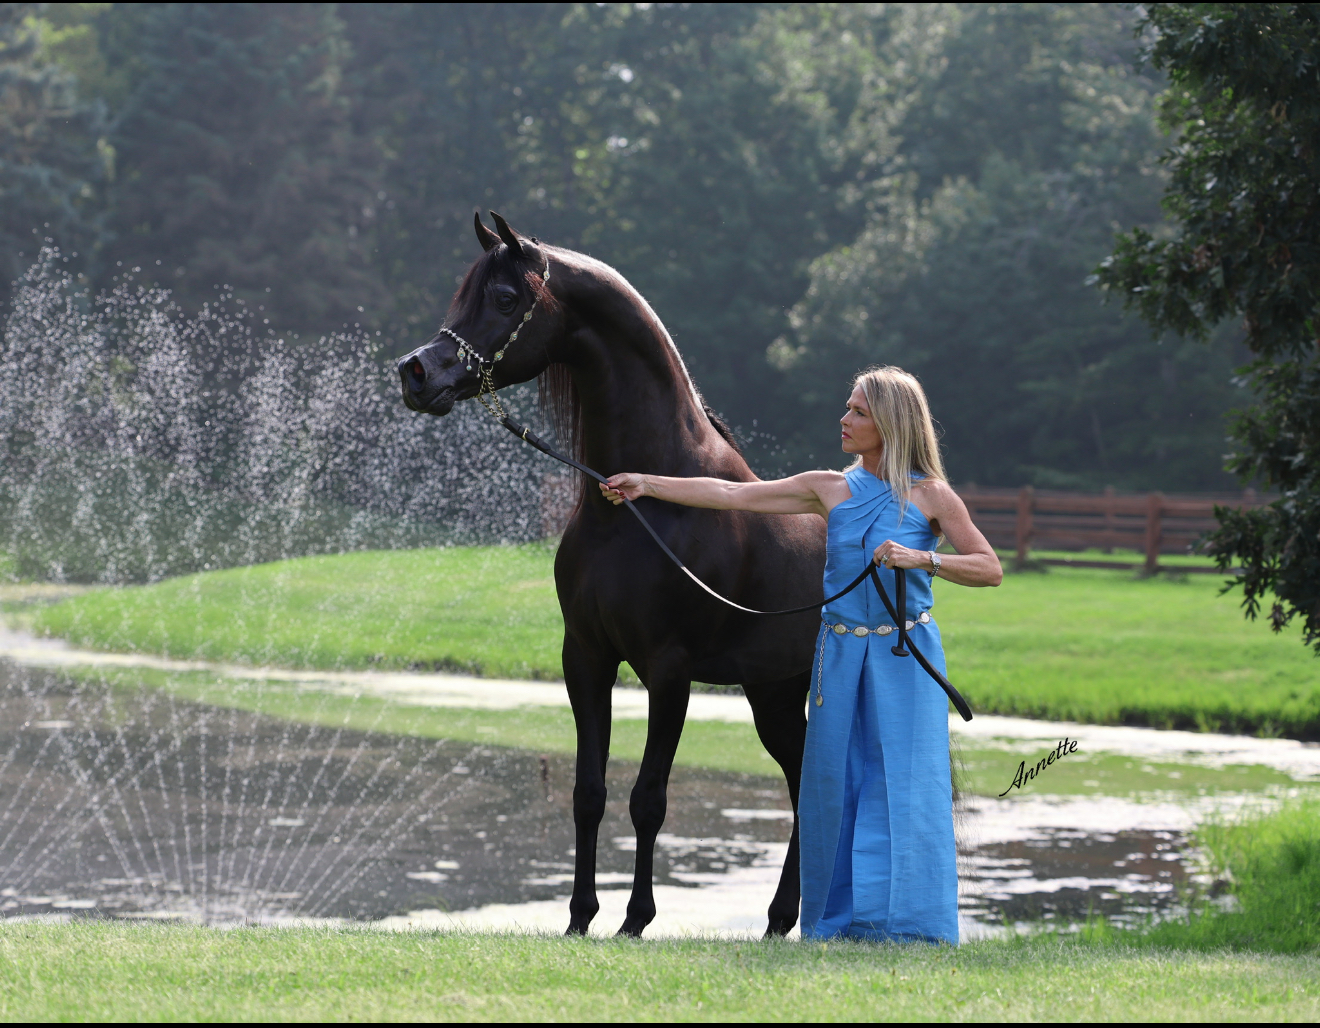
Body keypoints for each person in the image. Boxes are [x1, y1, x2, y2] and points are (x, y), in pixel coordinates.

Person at [600, 365, 1002, 943]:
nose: (844, 419)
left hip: (903, 657)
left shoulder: (933, 496)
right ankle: (834, 923)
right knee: (833, 783)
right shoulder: (827, 487)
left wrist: (922, 559)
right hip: (838, 658)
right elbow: (732, 494)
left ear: (891, 423)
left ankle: (908, 925)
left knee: (904, 785)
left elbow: (989, 568)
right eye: (848, 407)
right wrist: (647, 483)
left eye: (858, 411)